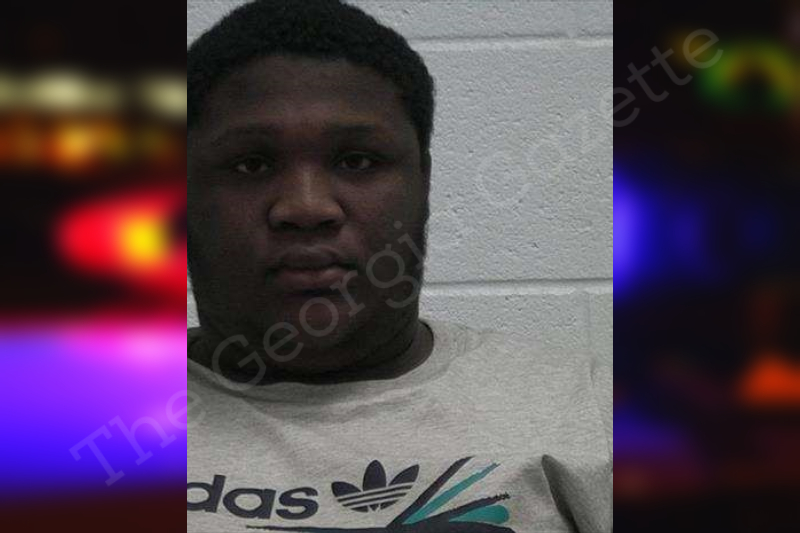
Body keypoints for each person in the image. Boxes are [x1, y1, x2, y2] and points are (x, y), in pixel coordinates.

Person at [186, 1, 612, 531]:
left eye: (357, 161)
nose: (306, 206)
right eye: (251, 164)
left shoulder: (589, 409)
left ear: (423, 182)